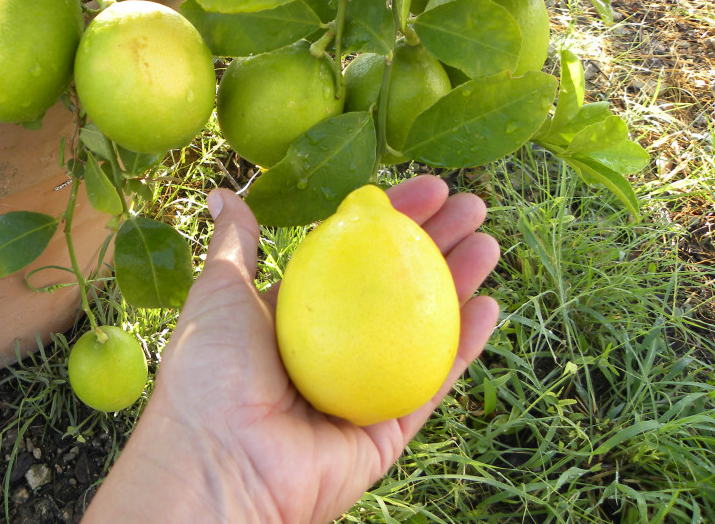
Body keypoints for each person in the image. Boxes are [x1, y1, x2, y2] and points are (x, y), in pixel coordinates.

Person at [81, 175, 501, 524]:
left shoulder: (362, 231)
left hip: (333, 381)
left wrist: (213, 462)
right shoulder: (376, 233)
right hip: (405, 383)